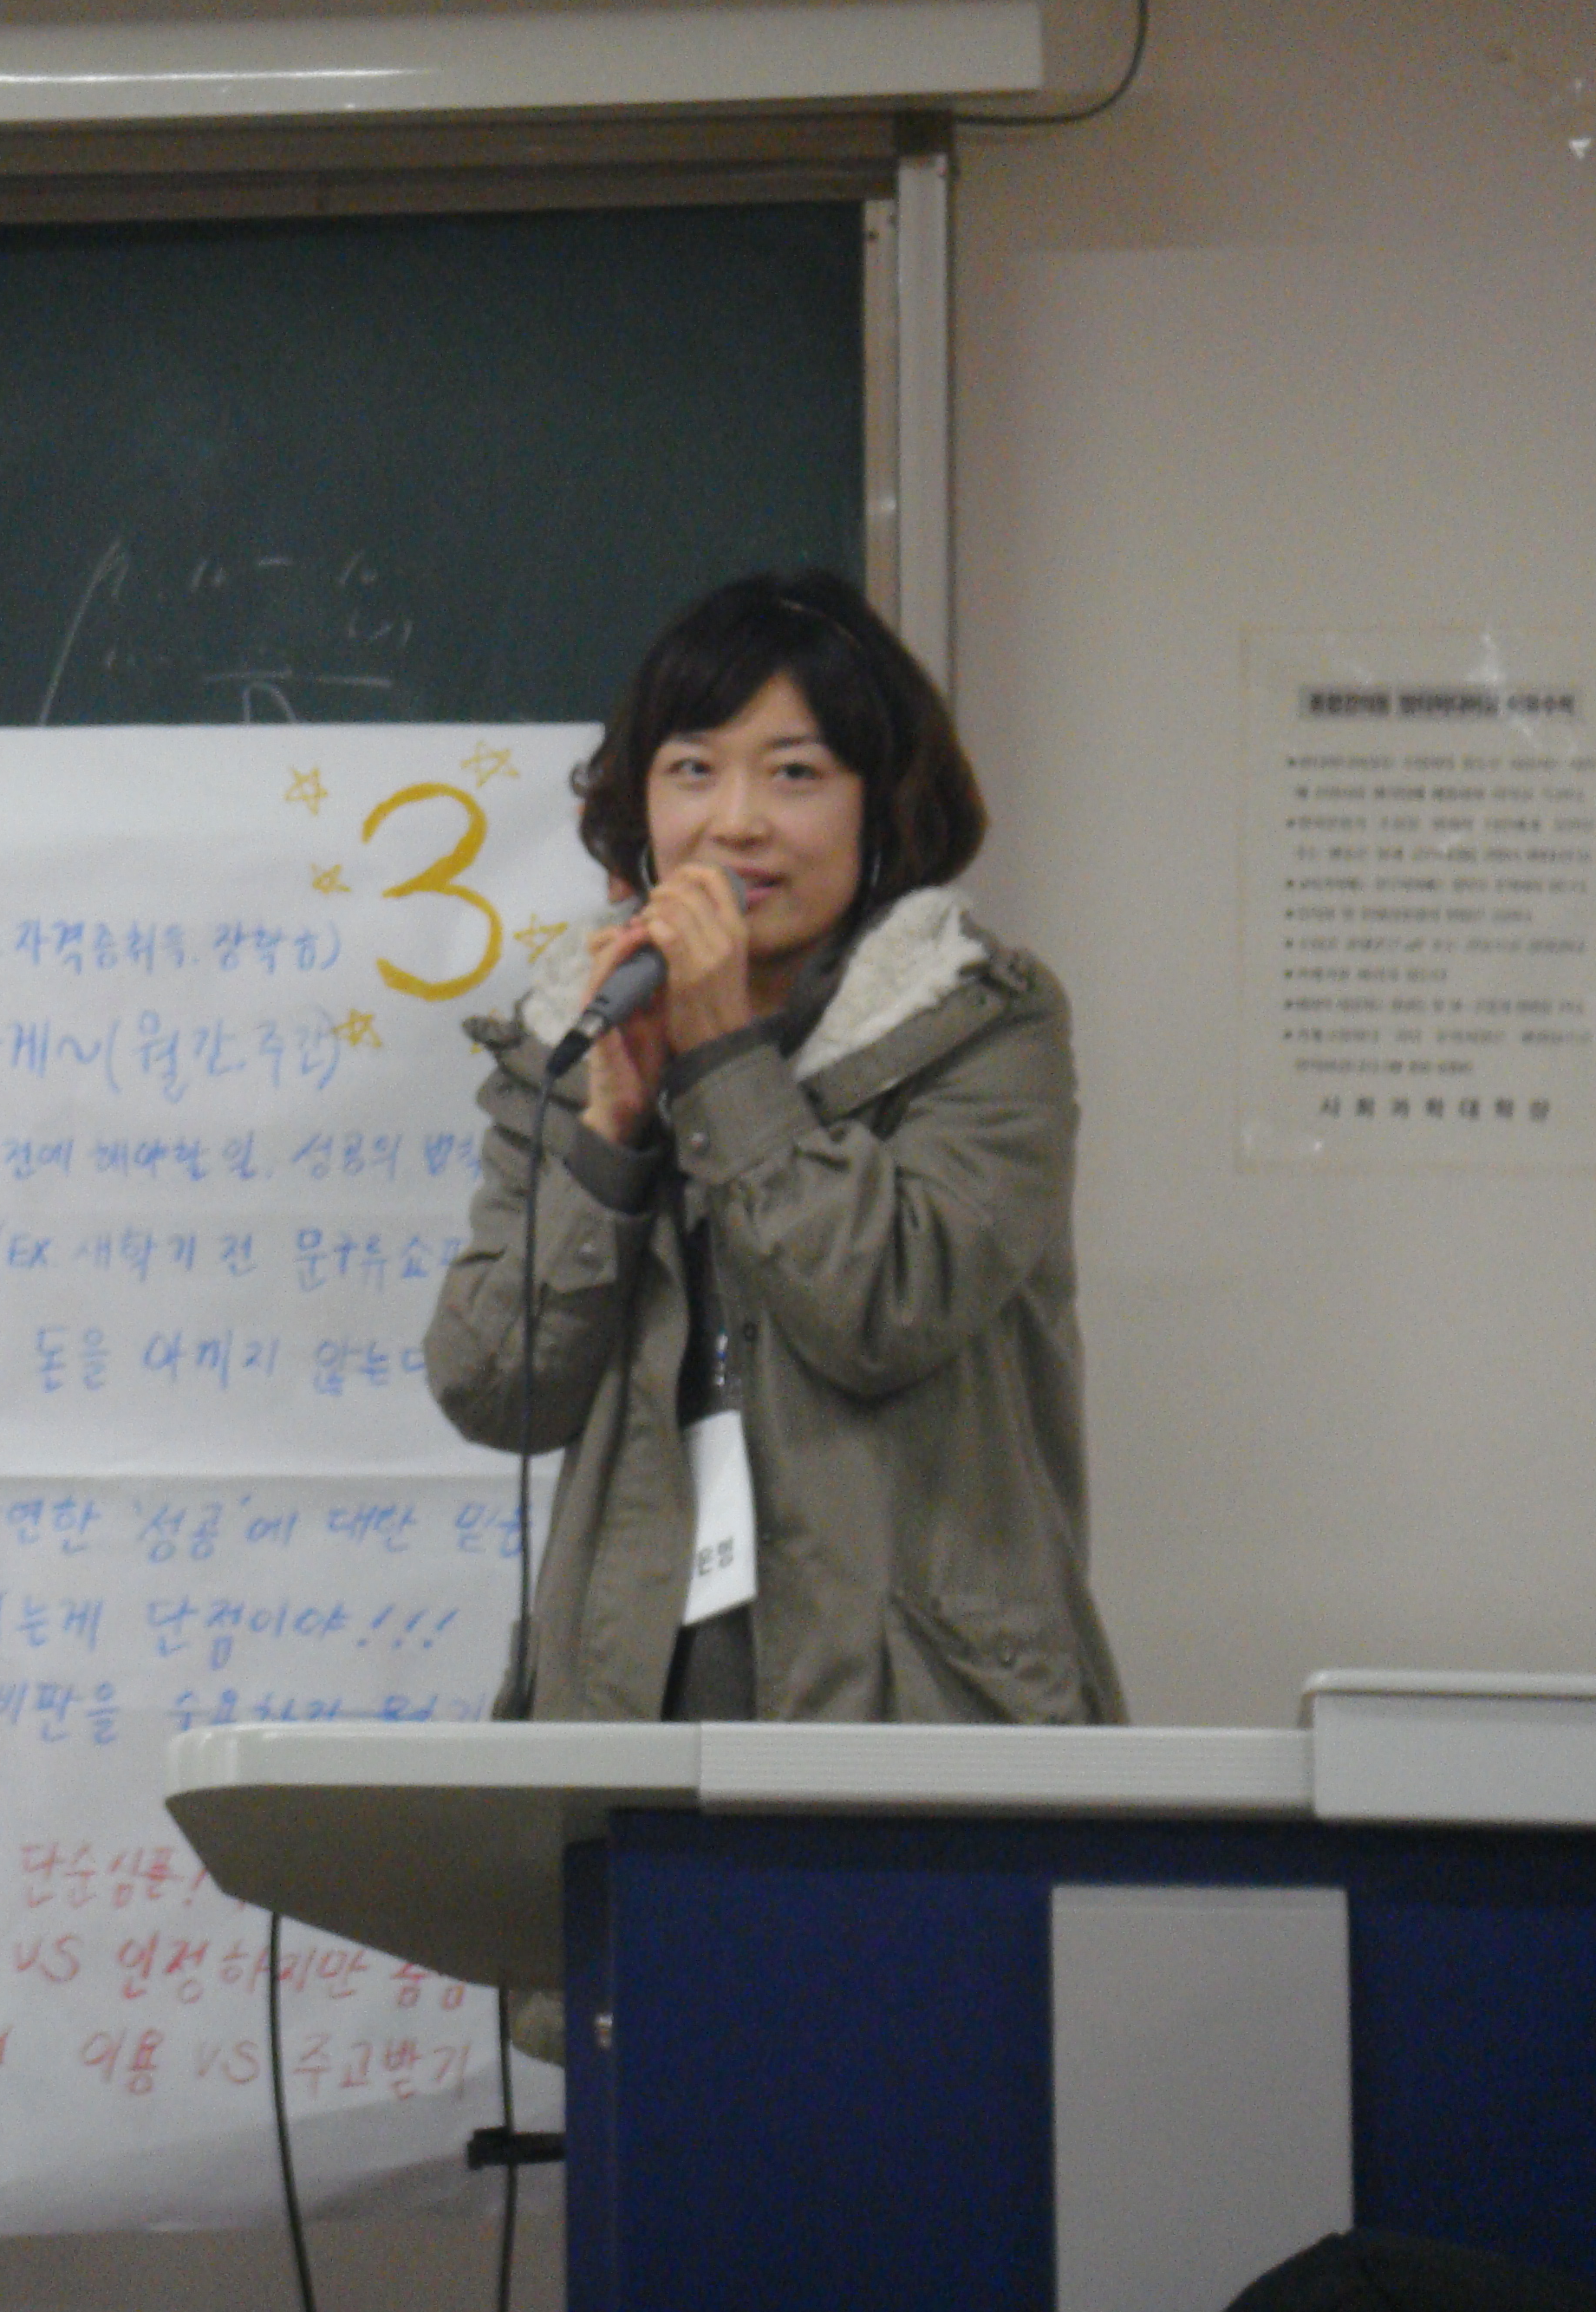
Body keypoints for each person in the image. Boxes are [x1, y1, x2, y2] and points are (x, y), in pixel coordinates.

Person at [422, 570, 1124, 1735]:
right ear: (640, 806)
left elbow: (885, 1305)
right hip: (631, 1718)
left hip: (920, 1725)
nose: (736, 820)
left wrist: (721, 1059)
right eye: (692, 769)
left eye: (795, 774)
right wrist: (611, 1139)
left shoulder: (981, 1023)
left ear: (881, 804)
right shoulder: (576, 1040)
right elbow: (496, 1390)